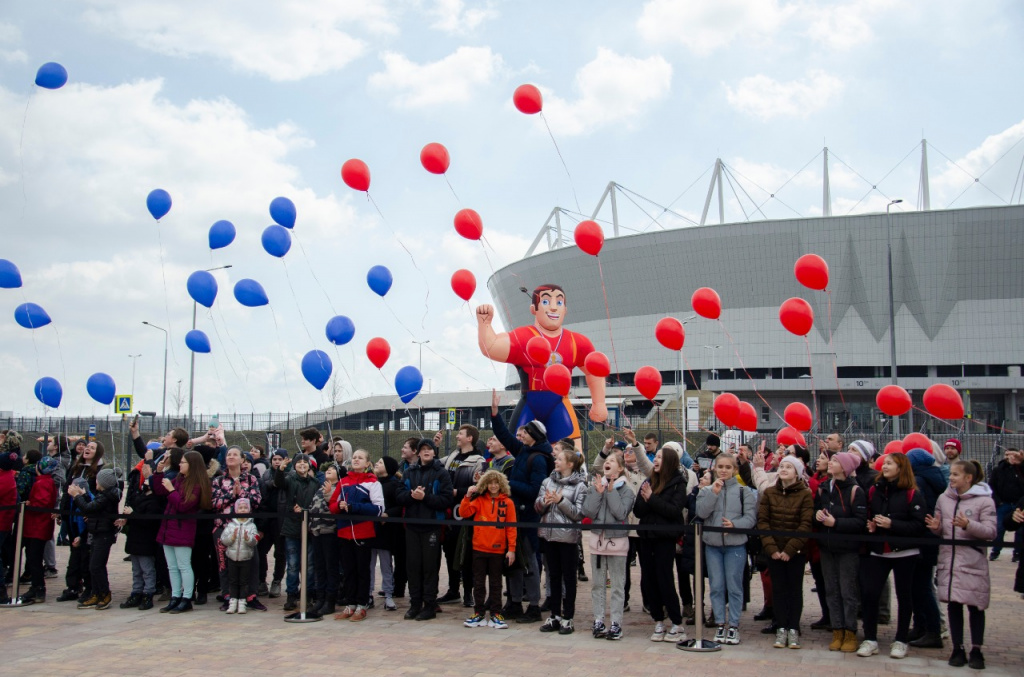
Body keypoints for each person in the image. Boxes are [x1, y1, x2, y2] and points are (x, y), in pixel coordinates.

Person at [476, 284, 607, 443]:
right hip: (529, 404)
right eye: (545, 302)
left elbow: (594, 370)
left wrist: (599, 402)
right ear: (534, 309)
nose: (553, 308)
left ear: (565, 309)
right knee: (517, 451)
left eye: (559, 303)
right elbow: (492, 347)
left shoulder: (577, 342)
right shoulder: (523, 337)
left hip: (560, 404)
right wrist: (485, 324)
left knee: (571, 453)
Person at [488, 388, 552, 624]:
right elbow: (504, 436)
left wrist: (508, 483)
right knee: (511, 559)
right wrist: (495, 414)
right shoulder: (524, 450)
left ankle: (533, 605)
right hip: (513, 515)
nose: (520, 435)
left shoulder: (539, 459)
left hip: (527, 517)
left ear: (533, 434)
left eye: (524, 432)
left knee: (530, 561)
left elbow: (535, 490)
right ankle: (514, 602)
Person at [926, 459, 996, 670]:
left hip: (972, 560)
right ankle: (958, 648)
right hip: (949, 559)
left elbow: (991, 532)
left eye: (956, 474)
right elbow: (941, 530)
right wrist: (935, 528)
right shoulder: (943, 499)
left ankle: (976, 649)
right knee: (954, 604)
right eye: (951, 474)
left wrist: (969, 525)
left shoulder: (985, 501)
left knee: (975, 606)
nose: (951, 478)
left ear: (968, 477)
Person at [856, 453, 927, 660]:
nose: (884, 466)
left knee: (904, 596)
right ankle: (870, 638)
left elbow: (919, 525)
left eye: (889, 463)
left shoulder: (912, 494)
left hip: (905, 551)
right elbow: (869, 514)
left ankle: (901, 639)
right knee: (870, 594)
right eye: (884, 463)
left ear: (901, 467)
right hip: (879, 549)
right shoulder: (874, 489)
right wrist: (871, 525)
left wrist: (892, 524)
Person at [696, 453, 757, 646]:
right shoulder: (706, 491)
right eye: (720, 467)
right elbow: (702, 513)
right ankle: (720, 622)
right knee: (716, 586)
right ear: (715, 468)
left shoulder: (744, 491)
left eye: (728, 467)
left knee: (734, 586)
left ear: (734, 470)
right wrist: (713, 493)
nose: (723, 470)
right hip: (713, 545)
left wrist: (736, 524)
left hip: (735, 545)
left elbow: (750, 517)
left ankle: (734, 625)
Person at [757, 455, 814, 650]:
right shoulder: (770, 492)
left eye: (789, 467)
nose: (783, 469)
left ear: (797, 472)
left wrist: (790, 549)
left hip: (795, 552)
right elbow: (763, 521)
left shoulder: (805, 494)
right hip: (774, 550)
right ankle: (781, 626)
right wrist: (772, 548)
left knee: (794, 590)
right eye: (782, 466)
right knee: (778, 589)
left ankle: (793, 627)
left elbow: (806, 523)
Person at [634, 444, 688, 644]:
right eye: (655, 457)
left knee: (665, 579)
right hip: (647, 537)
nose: (655, 461)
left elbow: (673, 511)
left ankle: (676, 622)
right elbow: (638, 511)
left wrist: (652, 499)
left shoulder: (678, 484)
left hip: (665, 539)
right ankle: (658, 620)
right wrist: (645, 497)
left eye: (659, 457)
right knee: (649, 580)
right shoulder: (649, 481)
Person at [395, 439, 454, 621]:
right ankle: (415, 603)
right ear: (418, 453)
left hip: (432, 527)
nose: (426, 452)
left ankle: (429, 604)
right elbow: (399, 495)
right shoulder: (408, 472)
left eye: (429, 449)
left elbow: (446, 500)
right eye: (423, 449)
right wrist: (412, 496)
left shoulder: (441, 473)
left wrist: (425, 497)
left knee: (430, 567)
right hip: (412, 526)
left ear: (434, 453)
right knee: (413, 566)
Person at [815, 451, 867, 653]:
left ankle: (850, 630)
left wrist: (836, 523)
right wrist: (817, 514)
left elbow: (860, 521)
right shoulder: (823, 488)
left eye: (835, 461)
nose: (830, 463)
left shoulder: (855, 490)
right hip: (827, 547)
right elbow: (815, 511)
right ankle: (837, 630)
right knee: (831, 590)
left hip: (847, 549)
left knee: (848, 591)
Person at [152, 450, 213, 614]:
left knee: (184, 565)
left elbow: (183, 506)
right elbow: (159, 490)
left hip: (182, 529)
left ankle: (186, 598)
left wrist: (171, 490)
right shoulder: (179, 479)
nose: (180, 464)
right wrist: (158, 473)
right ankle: (175, 596)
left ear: (192, 465)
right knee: (172, 566)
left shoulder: (197, 484)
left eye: (183, 462)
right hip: (168, 528)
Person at [583, 450, 635, 640]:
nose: (608, 463)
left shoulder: (627, 491)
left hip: (617, 542)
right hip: (598, 541)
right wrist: (598, 493)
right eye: (607, 460)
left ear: (620, 468)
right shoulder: (596, 486)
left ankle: (616, 623)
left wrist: (611, 493)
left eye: (612, 461)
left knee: (617, 585)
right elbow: (588, 511)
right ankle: (598, 620)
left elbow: (621, 513)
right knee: (597, 584)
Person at [535, 447, 587, 635]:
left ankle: (568, 617)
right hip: (548, 536)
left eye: (559, 459)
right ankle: (555, 614)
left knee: (569, 577)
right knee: (553, 576)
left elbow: (578, 514)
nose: (555, 461)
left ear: (570, 464)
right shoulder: (547, 481)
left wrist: (560, 500)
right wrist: (544, 502)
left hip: (567, 538)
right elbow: (537, 506)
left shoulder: (580, 486)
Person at [459, 469, 517, 630]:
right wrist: (468, 495)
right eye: (490, 482)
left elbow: (511, 528)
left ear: (501, 484)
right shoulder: (479, 500)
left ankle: (496, 613)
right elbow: (463, 512)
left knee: (496, 583)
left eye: (496, 482)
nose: (493, 486)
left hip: (498, 550)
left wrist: (511, 549)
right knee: (478, 583)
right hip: (479, 548)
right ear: (485, 484)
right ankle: (478, 612)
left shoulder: (508, 503)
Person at [331, 449, 384, 622]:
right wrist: (339, 505)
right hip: (344, 532)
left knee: (362, 570)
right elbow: (332, 504)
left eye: (360, 458)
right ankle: (350, 603)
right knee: (348, 571)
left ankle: (362, 604)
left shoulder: (373, 482)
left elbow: (378, 509)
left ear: (367, 463)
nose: (356, 460)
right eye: (354, 457)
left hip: (363, 532)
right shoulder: (343, 481)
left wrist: (355, 507)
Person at [210, 446, 262, 611]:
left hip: (246, 529)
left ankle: (250, 596)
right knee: (224, 564)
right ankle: (228, 596)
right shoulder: (218, 480)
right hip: (224, 528)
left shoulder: (251, 479)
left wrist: (241, 496)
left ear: (242, 460)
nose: (231, 457)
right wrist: (231, 495)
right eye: (228, 454)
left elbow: (256, 500)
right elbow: (214, 503)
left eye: (235, 455)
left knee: (252, 562)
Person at [439, 424, 486, 607]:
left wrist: (458, 492)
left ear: (470, 438)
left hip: (465, 513)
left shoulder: (478, 460)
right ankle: (453, 590)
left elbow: (479, 487)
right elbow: (436, 465)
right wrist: (435, 446)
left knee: (465, 554)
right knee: (450, 552)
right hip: (449, 512)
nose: (457, 436)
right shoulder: (452, 456)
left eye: (460, 434)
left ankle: (468, 592)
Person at [906, 447, 946, 649]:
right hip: (927, 540)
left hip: (922, 540)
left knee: (921, 588)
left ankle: (932, 630)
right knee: (918, 587)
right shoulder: (933, 477)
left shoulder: (920, 482)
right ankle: (921, 626)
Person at [273, 452, 320, 612]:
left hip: (309, 528)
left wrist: (305, 510)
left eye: (304, 462)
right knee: (292, 564)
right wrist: (280, 470)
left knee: (310, 565)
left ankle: (308, 593)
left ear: (309, 465)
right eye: (298, 462)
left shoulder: (315, 483)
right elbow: (279, 483)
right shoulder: (290, 480)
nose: (302, 464)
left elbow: (318, 503)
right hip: (292, 527)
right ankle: (291, 595)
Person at [68, 467, 121, 610]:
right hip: (98, 532)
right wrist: (84, 496)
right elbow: (93, 507)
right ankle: (97, 593)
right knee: (94, 566)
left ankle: (105, 594)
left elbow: (89, 508)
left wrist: (76, 496)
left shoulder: (106, 496)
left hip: (104, 534)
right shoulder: (103, 495)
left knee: (96, 566)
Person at [120, 459, 165, 611]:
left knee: (147, 569)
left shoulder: (155, 501)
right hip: (135, 538)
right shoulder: (139, 496)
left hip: (146, 539)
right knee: (136, 569)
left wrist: (134, 514)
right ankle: (136, 592)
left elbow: (150, 521)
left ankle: (148, 593)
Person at [18, 456, 58, 605]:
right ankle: (37, 586)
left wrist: (29, 504)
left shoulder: (42, 483)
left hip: (37, 526)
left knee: (34, 558)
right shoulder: (47, 482)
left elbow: (41, 504)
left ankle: (38, 587)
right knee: (34, 557)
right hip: (39, 526)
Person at [370, 456, 403, 612]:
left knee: (386, 564)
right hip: (371, 529)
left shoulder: (395, 484)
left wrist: (388, 515)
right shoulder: (372, 482)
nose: (377, 463)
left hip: (385, 530)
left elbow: (399, 505)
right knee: (368, 564)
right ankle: (368, 593)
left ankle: (389, 593)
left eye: (381, 462)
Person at [309, 462, 340, 615]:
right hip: (316, 532)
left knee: (331, 567)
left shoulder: (339, 489)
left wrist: (329, 495)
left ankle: (330, 600)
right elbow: (313, 507)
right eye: (327, 469)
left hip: (330, 532)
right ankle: (320, 598)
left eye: (333, 469)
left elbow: (335, 508)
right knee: (319, 567)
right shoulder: (320, 489)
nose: (329, 470)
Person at [220, 497, 259, 614]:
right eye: (240, 508)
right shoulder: (231, 525)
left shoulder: (252, 526)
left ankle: (242, 602)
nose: (243, 510)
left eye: (245, 508)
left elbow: (255, 541)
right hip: (232, 558)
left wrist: (248, 539)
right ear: (236, 510)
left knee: (244, 581)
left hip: (246, 558)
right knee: (233, 580)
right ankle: (232, 602)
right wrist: (231, 538)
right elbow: (223, 540)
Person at [988, 447, 1024, 562]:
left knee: (1020, 531)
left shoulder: (1020, 470)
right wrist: (998, 502)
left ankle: (1017, 553)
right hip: (1003, 504)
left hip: (1018, 504)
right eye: (1008, 455)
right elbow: (992, 487)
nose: (1011, 458)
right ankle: (995, 551)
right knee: (999, 528)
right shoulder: (998, 470)